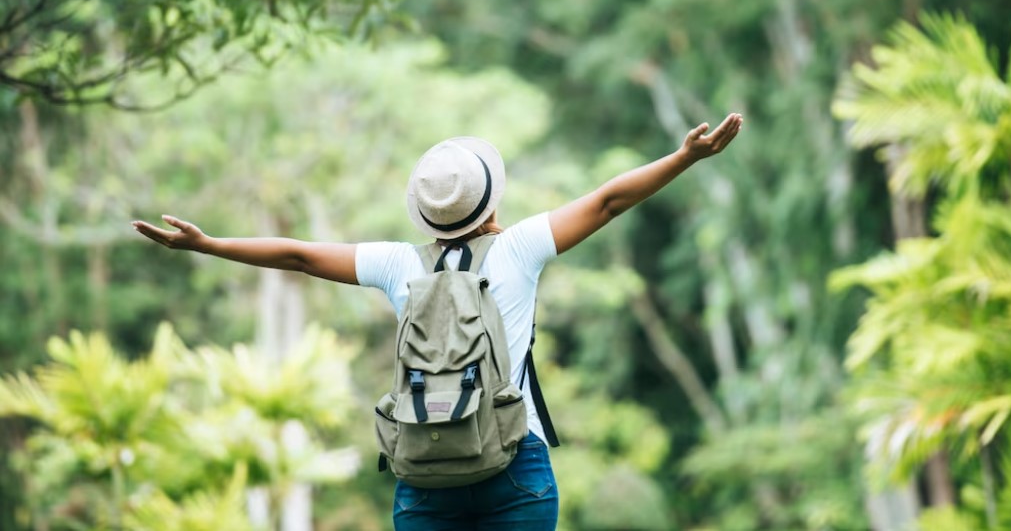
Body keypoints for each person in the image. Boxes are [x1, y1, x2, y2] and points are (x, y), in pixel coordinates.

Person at [132, 113, 743, 530]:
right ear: (491, 200)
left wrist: (208, 244)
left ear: (427, 215)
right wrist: (685, 157)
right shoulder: (520, 249)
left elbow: (297, 253)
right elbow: (609, 200)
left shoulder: (398, 265)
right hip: (515, 463)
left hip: (425, 470)